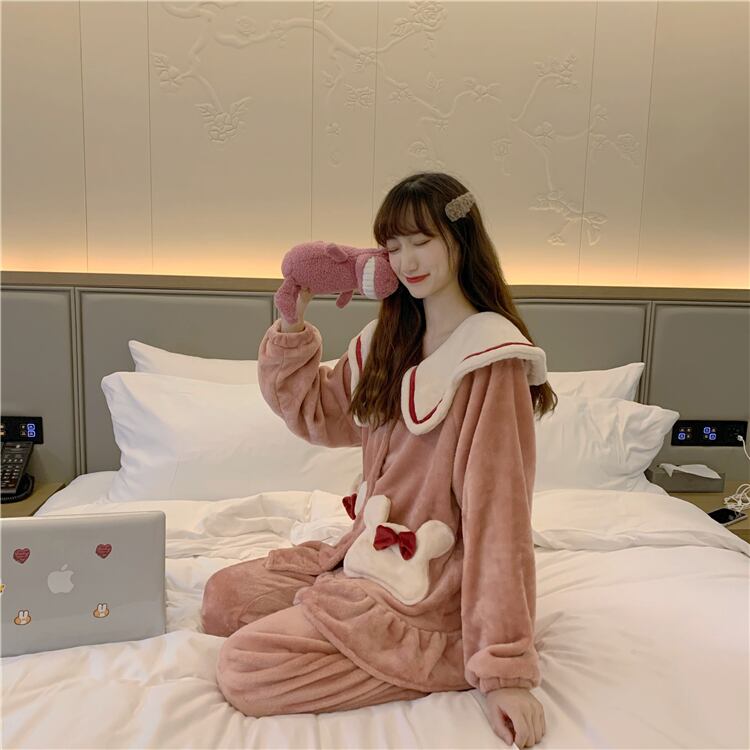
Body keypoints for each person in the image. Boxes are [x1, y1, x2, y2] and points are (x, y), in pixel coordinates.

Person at [200, 171, 557, 748]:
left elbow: (501, 518)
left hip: (429, 581)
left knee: (246, 668)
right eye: (392, 247)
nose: (406, 261)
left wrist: (505, 674)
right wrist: (291, 323)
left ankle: (444, 656)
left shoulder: (490, 358)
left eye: (422, 241)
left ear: (460, 239)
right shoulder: (387, 340)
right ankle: (353, 630)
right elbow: (319, 414)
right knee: (222, 599)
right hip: (362, 551)